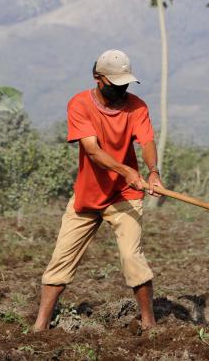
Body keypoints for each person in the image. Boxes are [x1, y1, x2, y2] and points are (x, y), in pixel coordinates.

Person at [33, 49, 161, 331]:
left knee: (132, 257)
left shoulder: (137, 107)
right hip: (87, 196)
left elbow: (147, 141)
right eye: (115, 83)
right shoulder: (79, 104)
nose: (121, 89)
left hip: (124, 196)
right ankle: (40, 325)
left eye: (125, 83)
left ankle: (150, 323)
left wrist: (152, 172)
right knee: (61, 259)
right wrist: (128, 170)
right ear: (98, 77)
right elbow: (92, 151)